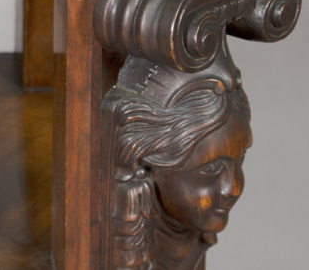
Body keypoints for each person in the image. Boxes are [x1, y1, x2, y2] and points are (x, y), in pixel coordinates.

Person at [106, 43, 252, 270]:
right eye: (211, 169)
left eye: (240, 158)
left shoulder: (189, 229)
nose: (232, 187)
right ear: (147, 163)